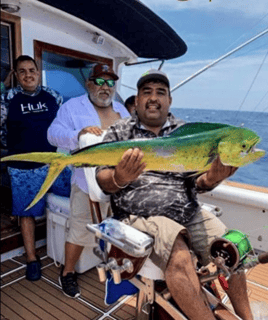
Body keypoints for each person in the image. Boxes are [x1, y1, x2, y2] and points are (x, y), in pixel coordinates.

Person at [95, 69, 253, 320]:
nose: (154, 98)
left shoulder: (187, 132)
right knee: (179, 252)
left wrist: (213, 178)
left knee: (233, 247)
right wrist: (119, 178)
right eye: (146, 92)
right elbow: (102, 179)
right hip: (141, 216)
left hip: (188, 211)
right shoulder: (120, 131)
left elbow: (198, 182)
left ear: (169, 101)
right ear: (136, 101)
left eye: (161, 92)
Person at [47, 63, 130, 298]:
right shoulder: (72, 107)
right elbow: (52, 134)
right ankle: (68, 272)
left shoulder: (123, 111)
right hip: (85, 182)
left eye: (110, 82)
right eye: (100, 81)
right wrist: (78, 134)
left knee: (117, 229)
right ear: (89, 83)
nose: (105, 87)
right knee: (79, 230)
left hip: (119, 184)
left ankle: (116, 270)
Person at [0, 55, 63, 281]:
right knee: (27, 214)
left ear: (38, 72)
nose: (28, 75)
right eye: (22, 71)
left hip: (54, 163)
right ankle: (31, 258)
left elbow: (64, 125)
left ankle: (63, 249)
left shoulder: (54, 96)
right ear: (16, 76)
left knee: (63, 205)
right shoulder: (7, 99)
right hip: (22, 166)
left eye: (32, 70)